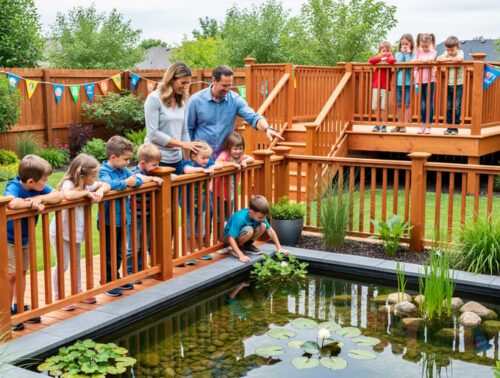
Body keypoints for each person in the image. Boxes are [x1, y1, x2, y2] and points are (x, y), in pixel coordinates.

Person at [4, 155, 63, 330]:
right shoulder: (13, 186)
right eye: (44, 180)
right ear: (31, 181)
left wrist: (41, 199)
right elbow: (12, 204)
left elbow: (58, 195)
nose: (46, 182)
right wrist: (31, 203)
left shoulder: (40, 189)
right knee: (11, 275)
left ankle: (19, 308)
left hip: (25, 238)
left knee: (22, 273)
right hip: (8, 239)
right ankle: (6, 313)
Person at [49, 154, 110, 311]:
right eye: (93, 176)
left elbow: (106, 185)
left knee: (77, 263)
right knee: (63, 264)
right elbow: (68, 195)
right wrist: (86, 193)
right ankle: (59, 296)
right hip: (61, 231)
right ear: (82, 176)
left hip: (74, 231)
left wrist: (101, 191)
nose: (95, 178)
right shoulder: (69, 184)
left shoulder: (87, 184)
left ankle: (78, 290)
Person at [185, 65, 283, 157]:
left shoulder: (235, 100)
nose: (227, 89)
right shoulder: (195, 100)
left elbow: (253, 117)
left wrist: (267, 128)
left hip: (225, 158)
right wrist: (189, 155)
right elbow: (187, 130)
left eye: (229, 85)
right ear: (214, 81)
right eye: (224, 85)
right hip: (201, 158)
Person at [98, 136, 143, 297]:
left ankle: (115, 277)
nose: (128, 163)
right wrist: (125, 184)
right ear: (113, 157)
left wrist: (131, 182)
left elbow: (136, 180)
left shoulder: (122, 170)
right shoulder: (103, 171)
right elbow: (108, 185)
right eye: (126, 159)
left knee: (118, 251)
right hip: (108, 220)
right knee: (109, 252)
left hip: (123, 218)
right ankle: (107, 281)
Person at [144, 61, 204, 174]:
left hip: (176, 159)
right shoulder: (154, 99)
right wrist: (182, 144)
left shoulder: (182, 100)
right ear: (171, 79)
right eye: (183, 82)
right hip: (155, 159)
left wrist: (187, 159)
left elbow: (184, 130)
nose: (186, 87)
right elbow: (153, 133)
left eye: (188, 83)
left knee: (179, 192)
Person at [126, 144, 163, 281]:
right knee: (134, 245)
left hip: (147, 216)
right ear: (143, 163)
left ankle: (142, 269)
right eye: (154, 164)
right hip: (134, 217)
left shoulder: (151, 172)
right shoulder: (135, 172)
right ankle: (131, 272)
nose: (157, 167)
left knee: (144, 243)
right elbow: (136, 179)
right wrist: (152, 179)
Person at [182, 141, 222, 265]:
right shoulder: (189, 162)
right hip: (188, 204)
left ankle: (200, 251)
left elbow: (219, 165)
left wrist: (211, 168)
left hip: (202, 204)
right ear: (194, 156)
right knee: (190, 229)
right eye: (203, 158)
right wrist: (201, 170)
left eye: (208, 158)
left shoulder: (208, 165)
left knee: (200, 228)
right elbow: (187, 170)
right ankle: (189, 253)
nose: (206, 160)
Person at [223, 195, 289, 264]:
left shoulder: (260, 216)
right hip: (229, 236)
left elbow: (270, 230)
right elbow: (231, 238)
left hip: (243, 233)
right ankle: (237, 249)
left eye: (264, 217)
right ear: (251, 212)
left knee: (263, 226)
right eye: (260, 217)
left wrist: (279, 248)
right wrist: (241, 255)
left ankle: (247, 246)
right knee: (249, 230)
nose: (263, 219)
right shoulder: (240, 218)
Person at [215, 132, 254, 234]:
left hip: (230, 191)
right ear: (228, 148)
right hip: (218, 191)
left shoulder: (240, 157)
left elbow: (252, 158)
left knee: (229, 214)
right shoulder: (224, 155)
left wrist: (245, 161)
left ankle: (227, 234)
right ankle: (219, 237)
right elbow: (218, 163)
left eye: (240, 148)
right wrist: (232, 164)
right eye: (235, 149)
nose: (238, 151)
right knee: (219, 216)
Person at [437, 36, 464, 136]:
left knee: (457, 107)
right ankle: (449, 127)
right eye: (448, 50)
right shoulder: (446, 54)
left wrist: (449, 59)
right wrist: (450, 59)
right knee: (448, 106)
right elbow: (439, 59)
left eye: (452, 50)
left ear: (457, 47)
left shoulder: (460, 52)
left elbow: (459, 59)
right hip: (449, 84)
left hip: (459, 84)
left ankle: (455, 127)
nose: (450, 52)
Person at [412, 33, 437, 134]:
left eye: (426, 46)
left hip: (430, 80)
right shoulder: (418, 52)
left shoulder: (433, 52)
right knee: (422, 103)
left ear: (430, 43)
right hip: (419, 80)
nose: (424, 48)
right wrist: (420, 61)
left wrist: (420, 61)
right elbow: (412, 61)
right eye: (422, 46)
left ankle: (428, 125)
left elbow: (430, 60)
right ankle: (422, 124)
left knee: (429, 103)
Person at [369, 41, 396, 132]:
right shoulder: (378, 59)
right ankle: (377, 123)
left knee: (384, 107)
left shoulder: (390, 58)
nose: (386, 52)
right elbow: (371, 60)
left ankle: (384, 124)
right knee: (376, 106)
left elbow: (392, 60)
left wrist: (386, 57)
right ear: (379, 51)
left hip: (386, 87)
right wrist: (381, 58)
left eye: (388, 50)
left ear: (391, 51)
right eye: (383, 50)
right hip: (376, 87)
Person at [392, 34, 415, 132]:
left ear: (411, 44)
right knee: (398, 104)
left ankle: (404, 125)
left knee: (407, 104)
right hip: (398, 83)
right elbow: (398, 64)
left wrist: (408, 55)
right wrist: (402, 54)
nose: (405, 46)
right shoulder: (398, 54)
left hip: (409, 84)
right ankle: (399, 123)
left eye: (407, 44)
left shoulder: (413, 55)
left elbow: (410, 65)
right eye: (403, 44)